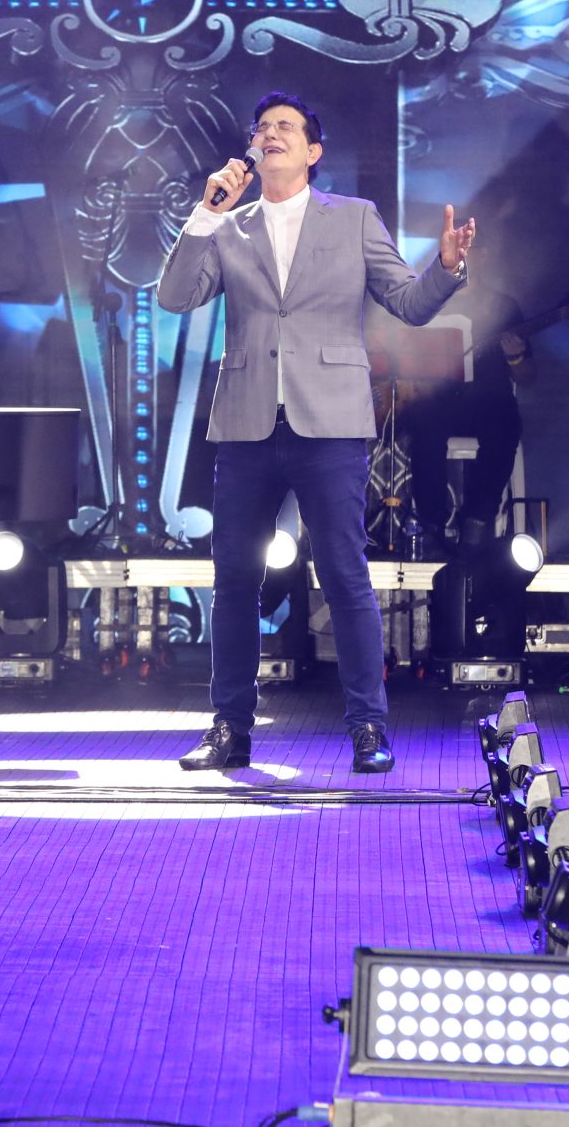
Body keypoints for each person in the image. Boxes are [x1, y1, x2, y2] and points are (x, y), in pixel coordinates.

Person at [156, 90, 473, 775]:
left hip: (328, 422)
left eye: (285, 127)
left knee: (344, 574)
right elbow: (174, 297)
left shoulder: (353, 218)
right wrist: (206, 213)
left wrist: (446, 269)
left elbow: (408, 302)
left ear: (312, 151)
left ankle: (368, 727)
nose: (269, 134)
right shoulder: (229, 225)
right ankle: (230, 728)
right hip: (246, 423)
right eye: (261, 126)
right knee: (234, 581)